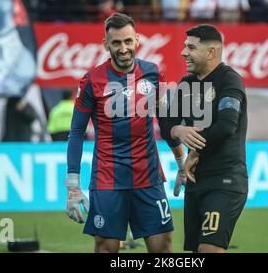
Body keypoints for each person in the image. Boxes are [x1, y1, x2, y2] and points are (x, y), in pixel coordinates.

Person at [65, 13, 186, 253]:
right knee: (106, 248)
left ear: (137, 40)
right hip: (107, 178)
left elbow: (165, 122)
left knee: (163, 248)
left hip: (148, 176)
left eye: (128, 41)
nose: (123, 48)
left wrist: (181, 163)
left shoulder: (153, 73)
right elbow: (76, 132)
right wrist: (73, 186)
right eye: (117, 43)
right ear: (106, 44)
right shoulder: (91, 80)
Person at [161, 24, 248, 253]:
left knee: (209, 250)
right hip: (196, 183)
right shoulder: (187, 83)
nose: (183, 53)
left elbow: (227, 126)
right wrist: (177, 131)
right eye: (183, 47)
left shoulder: (229, 80)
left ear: (211, 52)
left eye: (191, 47)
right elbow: (166, 124)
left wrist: (195, 151)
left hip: (225, 181)